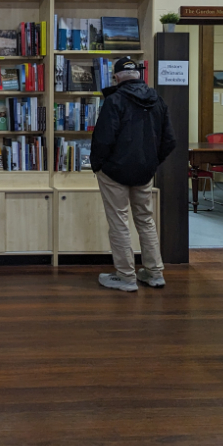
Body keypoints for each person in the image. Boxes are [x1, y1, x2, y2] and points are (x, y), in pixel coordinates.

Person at [90, 56, 176, 292]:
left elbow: (103, 139)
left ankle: (126, 276)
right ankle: (154, 273)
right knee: (146, 220)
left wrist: (98, 165)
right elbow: (170, 140)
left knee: (119, 222)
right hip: (144, 172)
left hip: (114, 171)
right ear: (139, 75)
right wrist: (152, 162)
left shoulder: (114, 100)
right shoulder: (157, 100)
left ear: (116, 77)